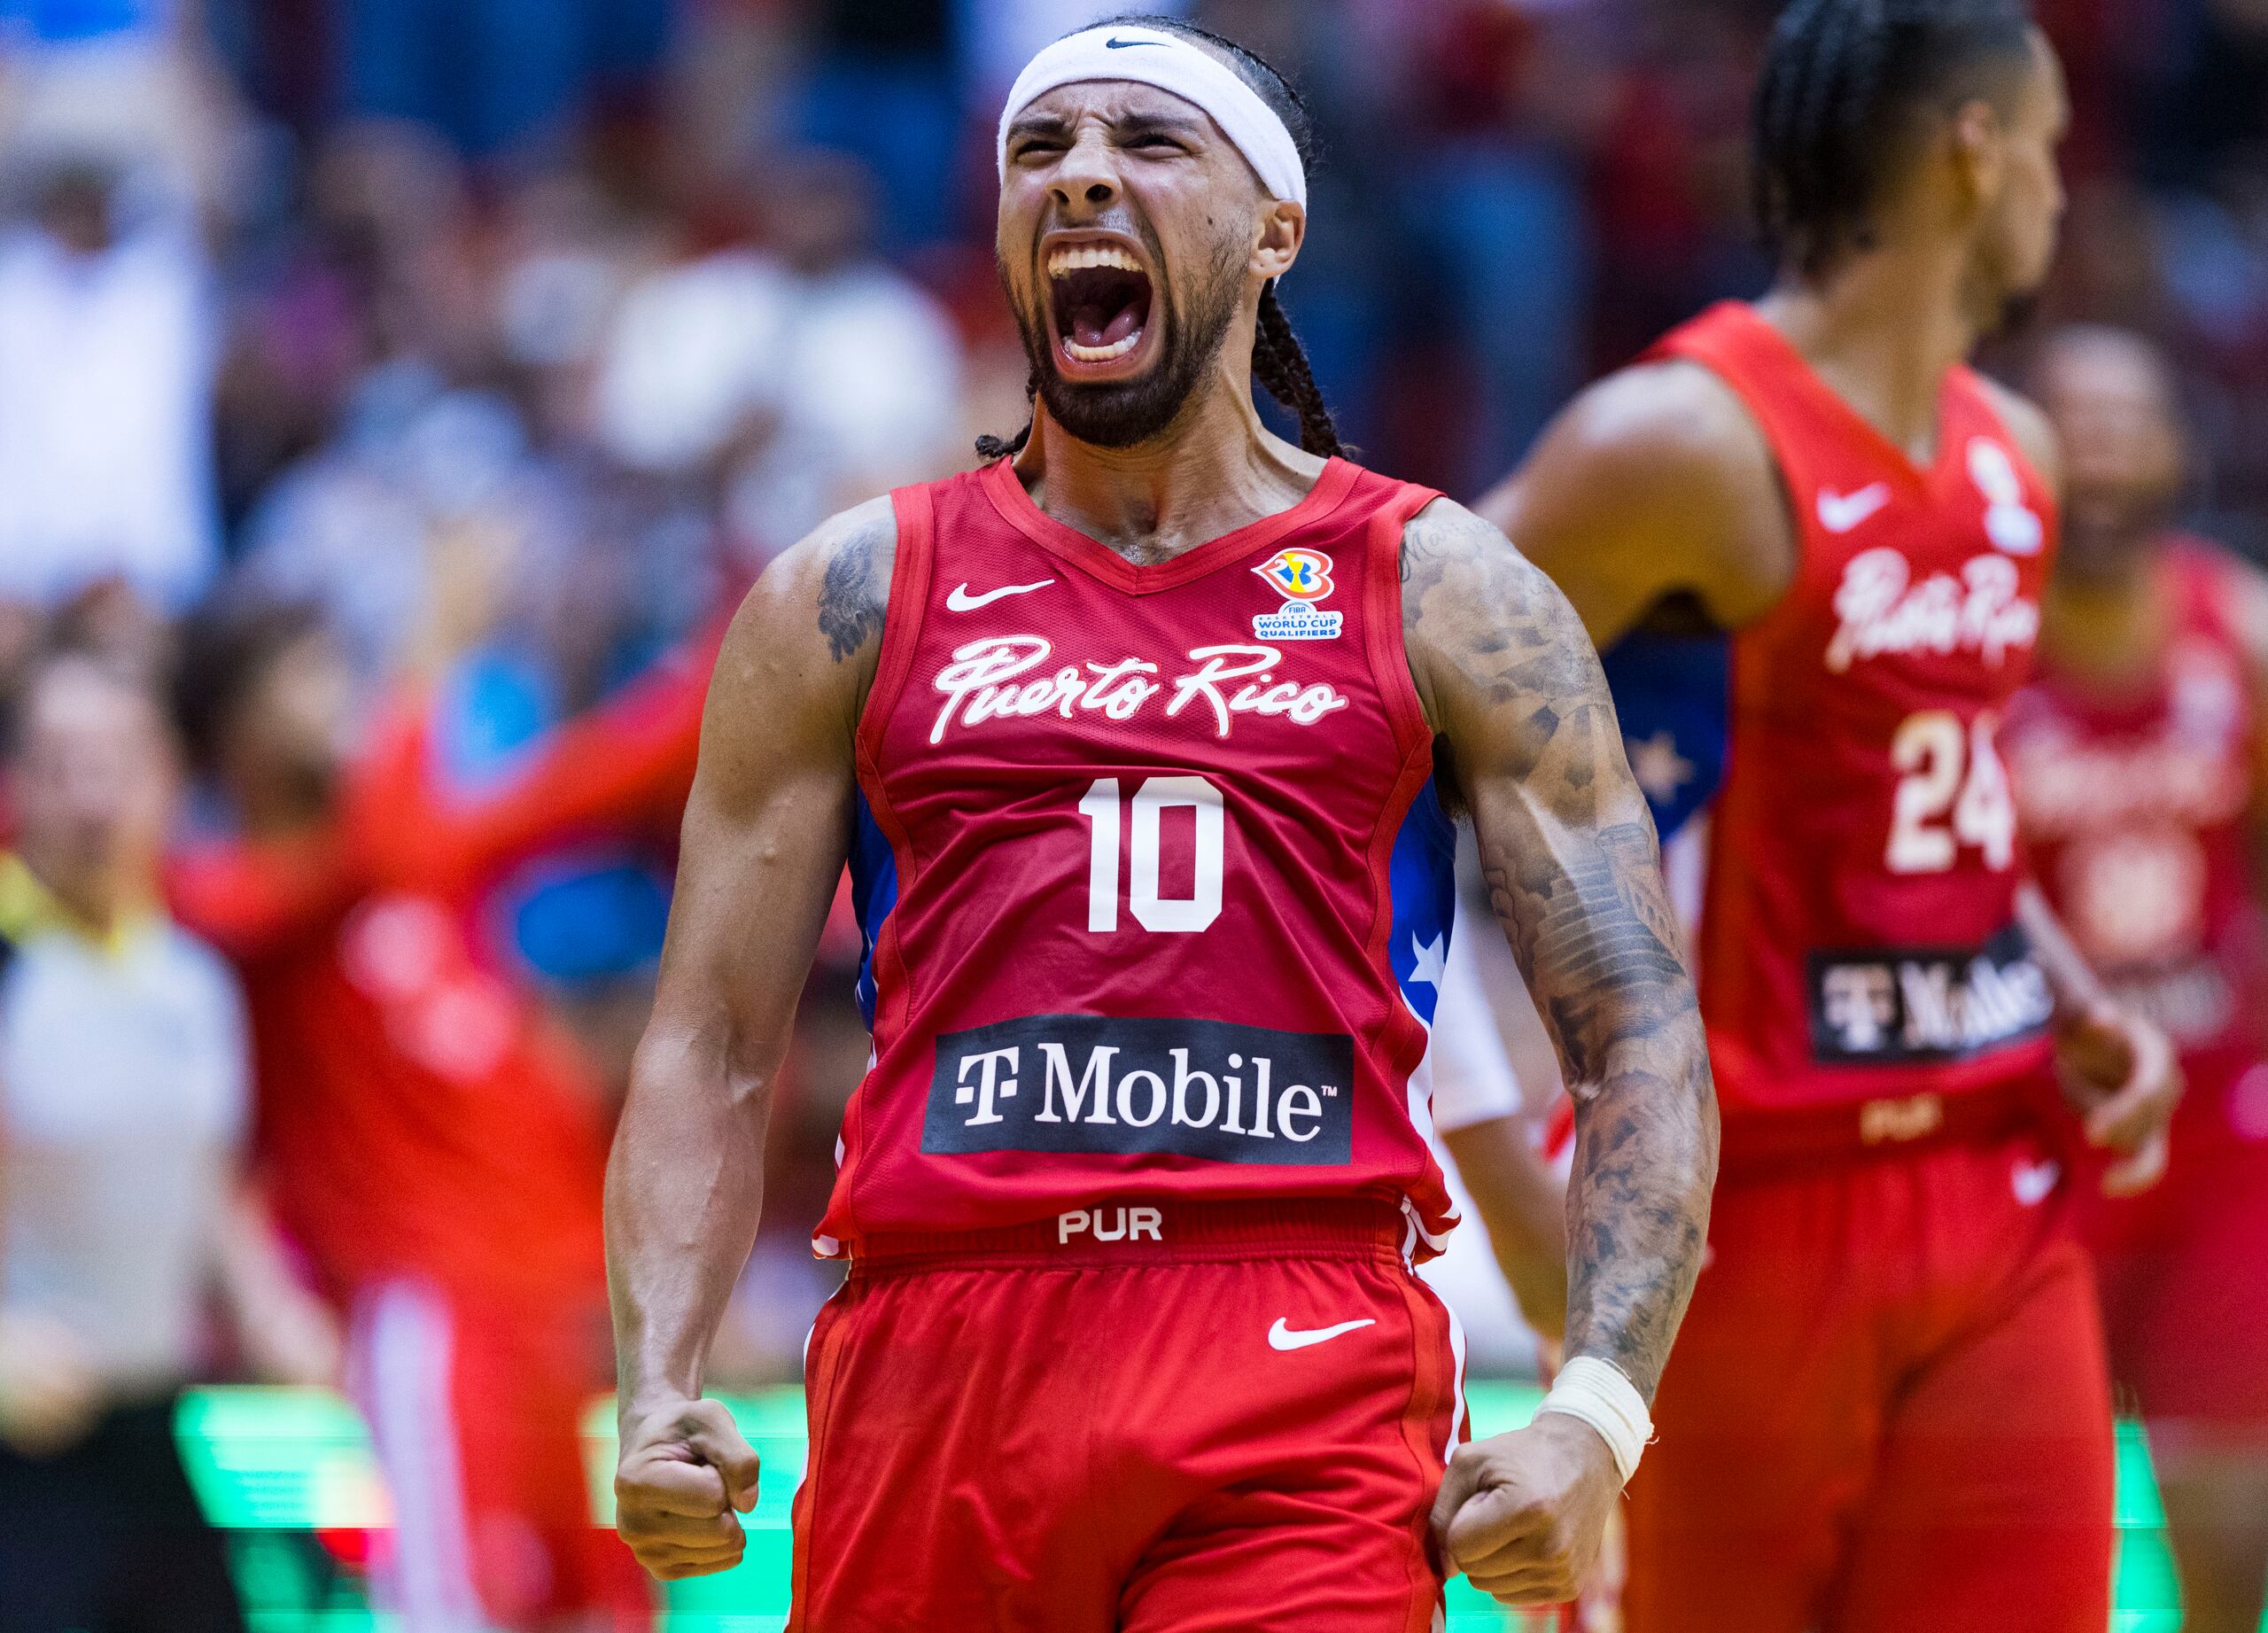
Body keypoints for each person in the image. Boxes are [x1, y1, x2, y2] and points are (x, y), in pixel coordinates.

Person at [607, 16, 1718, 1627]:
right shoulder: (848, 592)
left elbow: (1639, 1033)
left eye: (1148, 143)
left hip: (1301, 1352)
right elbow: (706, 1042)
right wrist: (659, 1384)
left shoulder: (1444, 587)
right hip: (939, 1348)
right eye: (1040, 152)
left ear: (1276, 232)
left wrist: (1598, 1412)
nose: (1082, 181)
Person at [1473, 2, 2182, 1628]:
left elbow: (1949, 798)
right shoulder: (1681, 438)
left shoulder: (2022, 452)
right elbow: (1394, 680)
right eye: (2050, 146)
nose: (2064, 194)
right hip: (1730, 1207)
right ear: (1972, 151)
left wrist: (2069, 999)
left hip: (1995, 1172)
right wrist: (1484, 1090)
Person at [167, 601, 709, 1633]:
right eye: (302, 676)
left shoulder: (419, 857)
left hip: (556, 1322)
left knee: (603, 1615)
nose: (340, 700)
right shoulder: (237, 899)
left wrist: (780, 629)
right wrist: (431, 665)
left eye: (341, 668)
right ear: (229, 732)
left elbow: (601, 776)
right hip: (433, 1322)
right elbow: (344, 865)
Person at [2003, 324, 2268, 1633]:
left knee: (2230, 1513)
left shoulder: (2245, 632)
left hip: (2224, 1130)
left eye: (2128, 422)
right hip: (2030, 1130)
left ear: (2177, 446)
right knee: (2027, 1528)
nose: (2101, 451)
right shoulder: (1967, 648)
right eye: (2071, 421)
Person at [0, 649, 337, 1633]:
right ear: (18, 786)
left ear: (168, 781)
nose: (91, 794)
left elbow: (209, 1188)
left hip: (154, 1425)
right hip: (22, 1454)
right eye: (60, 764)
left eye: (116, 760)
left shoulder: (192, 983)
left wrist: (271, 1307)